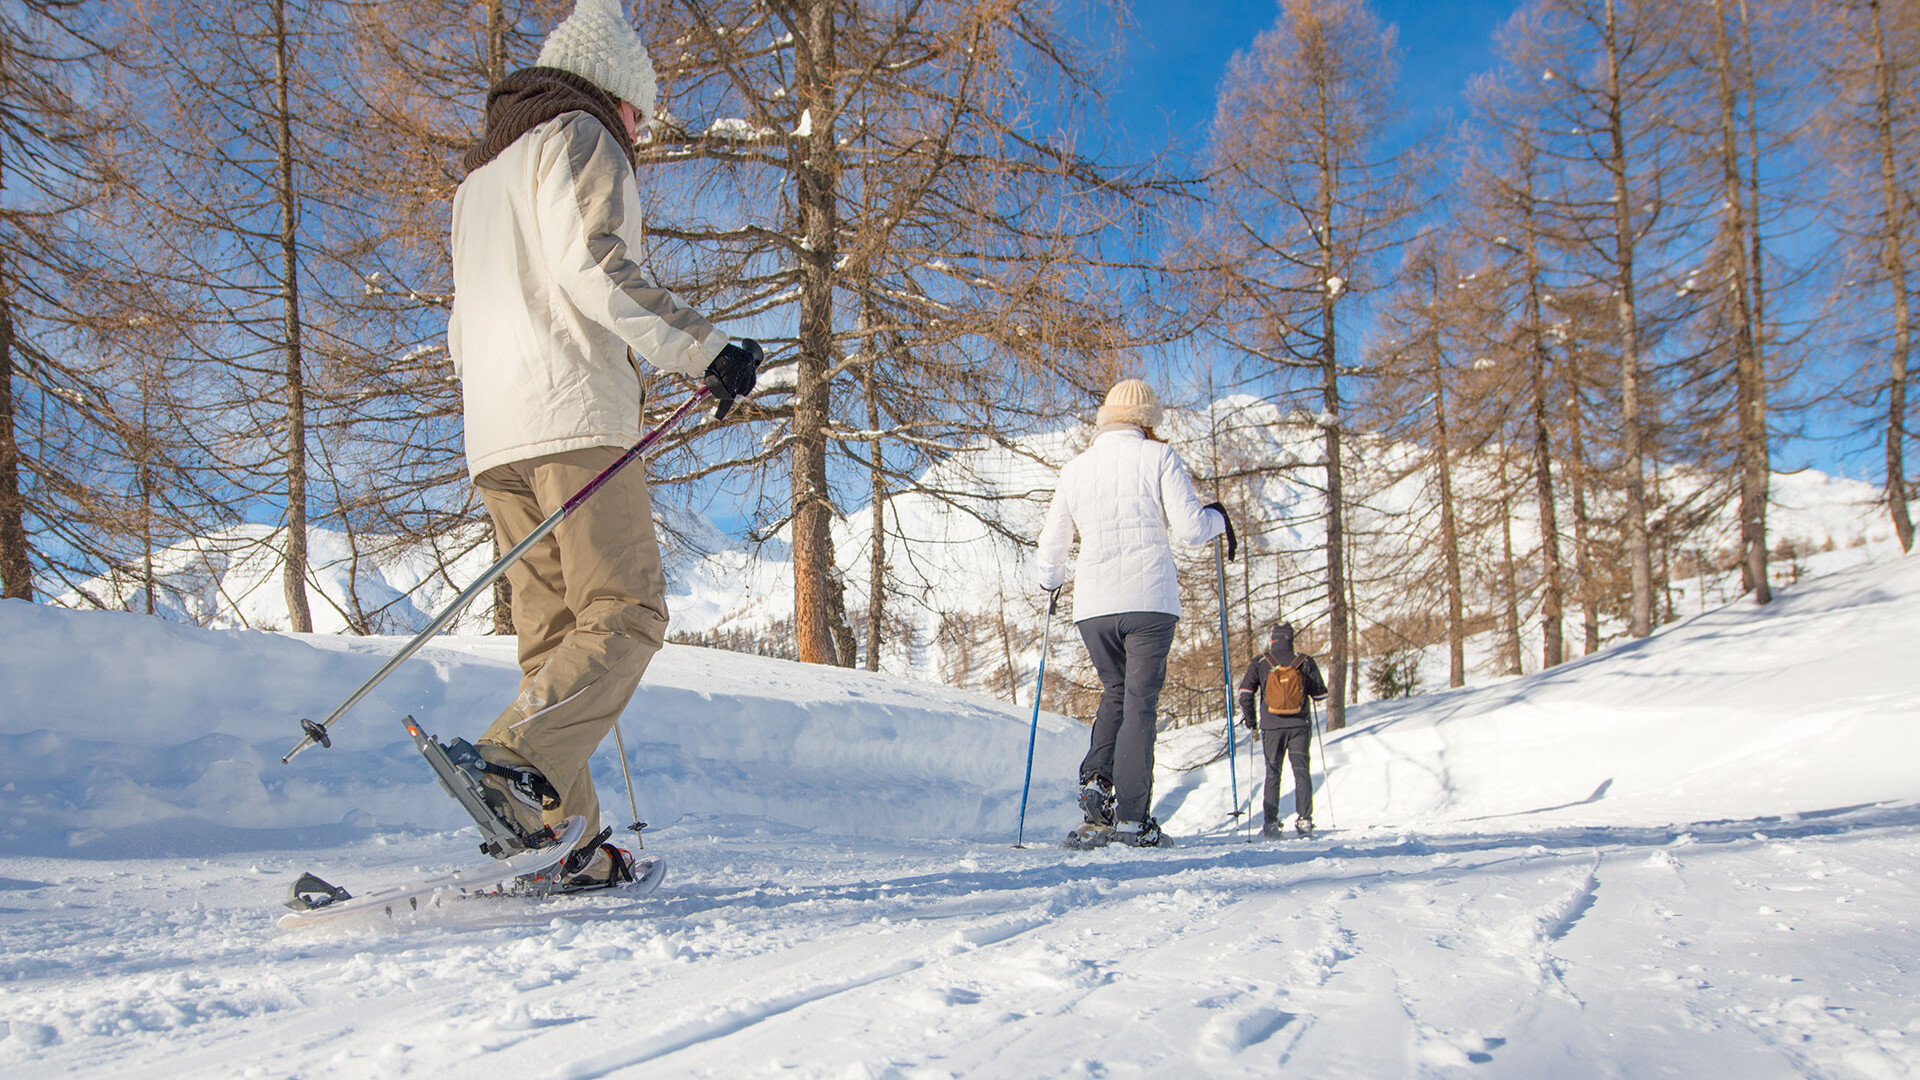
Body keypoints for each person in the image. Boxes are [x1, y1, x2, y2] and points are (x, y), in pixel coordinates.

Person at [445, 0, 761, 888]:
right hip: (573, 420)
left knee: (554, 641)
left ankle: (568, 844)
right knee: (626, 612)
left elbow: (461, 329)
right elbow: (597, 268)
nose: (642, 136)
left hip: (494, 438)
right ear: (615, 92)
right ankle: (516, 760)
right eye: (641, 117)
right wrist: (707, 350)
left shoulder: (479, 182)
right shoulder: (580, 137)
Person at [1036, 379, 1232, 847]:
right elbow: (1190, 529)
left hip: (1095, 607)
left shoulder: (1075, 470)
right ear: (1147, 419)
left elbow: (1051, 550)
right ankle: (1131, 818)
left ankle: (1096, 784)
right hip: (1150, 601)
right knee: (1140, 702)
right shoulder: (1159, 457)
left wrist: (1051, 580)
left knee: (1115, 691)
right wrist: (1219, 519)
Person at [1237, 622, 1328, 838]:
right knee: (1301, 772)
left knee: (1273, 773)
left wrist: (1252, 721)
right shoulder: (1304, 661)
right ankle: (1305, 820)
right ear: (1291, 639)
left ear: (1273, 640)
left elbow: (1245, 693)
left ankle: (1270, 823)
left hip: (1272, 727)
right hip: (1299, 726)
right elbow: (1321, 695)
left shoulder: (1262, 662)